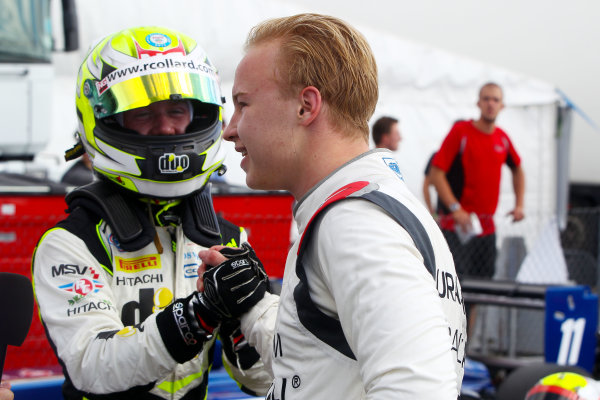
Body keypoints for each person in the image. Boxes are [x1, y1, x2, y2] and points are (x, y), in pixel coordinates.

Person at [198, 13, 467, 398]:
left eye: (243, 104)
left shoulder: (354, 222)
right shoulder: (374, 205)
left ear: (306, 106)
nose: (230, 129)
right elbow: (323, 366)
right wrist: (252, 304)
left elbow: (417, 389)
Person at [32, 26, 271, 399]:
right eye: (143, 113)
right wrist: (200, 314)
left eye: (177, 110)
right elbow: (92, 368)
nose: (165, 127)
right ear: (106, 121)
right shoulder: (70, 243)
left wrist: (253, 316)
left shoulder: (224, 237)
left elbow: (260, 381)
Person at [429, 83, 525, 279]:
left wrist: (519, 205)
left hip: (487, 229)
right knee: (456, 286)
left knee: (482, 286)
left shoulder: (502, 138)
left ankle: (472, 312)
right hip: (457, 228)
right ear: (478, 103)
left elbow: (518, 170)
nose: (491, 104)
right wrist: (456, 209)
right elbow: (436, 173)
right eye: (486, 99)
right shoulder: (461, 132)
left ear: (502, 106)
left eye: (495, 100)